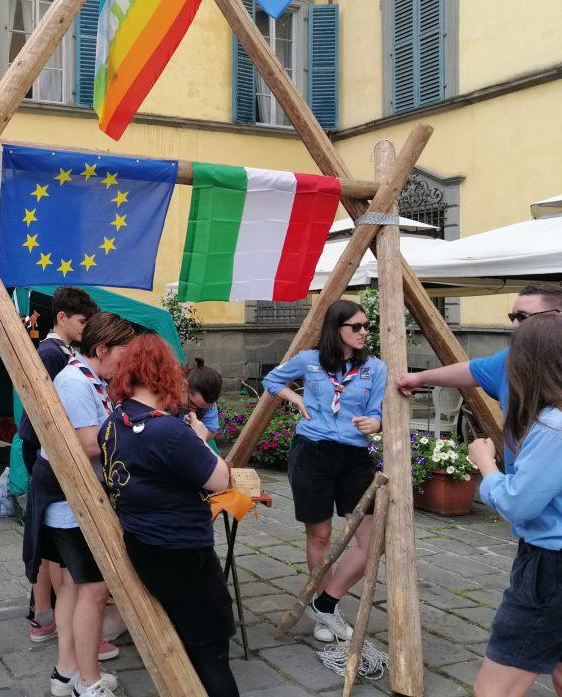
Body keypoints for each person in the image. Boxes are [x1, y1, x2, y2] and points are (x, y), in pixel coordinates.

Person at [102, 334, 239, 696]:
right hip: (182, 552)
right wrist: (197, 436)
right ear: (166, 374)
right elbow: (221, 481)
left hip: (144, 543)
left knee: (185, 639)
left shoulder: (116, 421)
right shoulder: (169, 431)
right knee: (211, 651)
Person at [23, 312, 135, 697]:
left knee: (73, 587)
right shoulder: (75, 382)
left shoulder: (90, 379)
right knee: (94, 590)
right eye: (124, 353)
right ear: (101, 349)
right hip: (71, 505)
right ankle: (88, 683)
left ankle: (66, 673)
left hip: (75, 501)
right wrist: (136, 431)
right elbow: (89, 444)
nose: (127, 362)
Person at [262, 299, 385, 642]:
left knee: (373, 541)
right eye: (356, 327)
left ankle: (327, 602)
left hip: (354, 458)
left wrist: (373, 423)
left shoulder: (375, 368)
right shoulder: (308, 360)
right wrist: (296, 399)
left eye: (366, 326)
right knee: (320, 536)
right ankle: (323, 610)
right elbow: (271, 381)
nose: (364, 332)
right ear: (337, 329)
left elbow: (378, 412)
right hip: (312, 454)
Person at [467, 314, 562, 697]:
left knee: (495, 690)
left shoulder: (554, 429)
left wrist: (486, 464)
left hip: (550, 567)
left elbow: (518, 504)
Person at [397, 282, 562, 471]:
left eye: (523, 317)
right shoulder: (510, 359)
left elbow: (516, 501)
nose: (514, 324)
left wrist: (485, 462)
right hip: (520, 485)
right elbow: (472, 370)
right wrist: (420, 378)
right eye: (512, 316)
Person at [18, 287, 100, 644]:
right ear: (62, 318)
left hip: (50, 450)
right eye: (83, 322)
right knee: (51, 540)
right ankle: (43, 614)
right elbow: (44, 412)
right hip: (43, 449)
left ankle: (46, 613)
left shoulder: (64, 351)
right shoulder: (51, 354)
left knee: (52, 541)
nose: (86, 328)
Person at [186, 359, 223, 452]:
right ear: (185, 388)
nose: (193, 413)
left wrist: (196, 434)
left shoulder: (210, 404)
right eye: (192, 404)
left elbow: (212, 431)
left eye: (201, 408)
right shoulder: (169, 395)